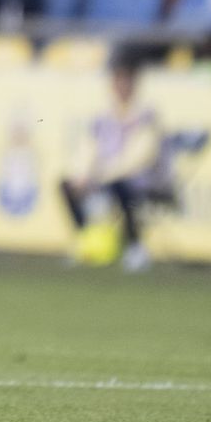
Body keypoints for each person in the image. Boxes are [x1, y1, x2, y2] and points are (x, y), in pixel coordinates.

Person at [59, 53, 163, 273]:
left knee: (122, 185)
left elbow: (140, 157)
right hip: (103, 177)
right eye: (118, 80)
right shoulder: (104, 115)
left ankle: (135, 246)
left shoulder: (145, 115)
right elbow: (89, 148)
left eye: (126, 81)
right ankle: (86, 241)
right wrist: (82, 176)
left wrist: (102, 176)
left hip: (140, 179)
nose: (121, 86)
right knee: (66, 185)